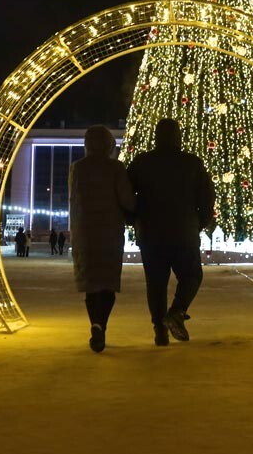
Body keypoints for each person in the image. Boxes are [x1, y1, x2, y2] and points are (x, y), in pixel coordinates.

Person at [127, 118, 216, 345]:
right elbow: (207, 197)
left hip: (150, 234)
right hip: (183, 233)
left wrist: (134, 220)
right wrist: (199, 223)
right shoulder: (192, 163)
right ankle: (176, 312)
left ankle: (160, 330)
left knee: (155, 283)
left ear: (156, 136)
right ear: (178, 137)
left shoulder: (142, 162)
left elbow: (127, 197)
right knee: (192, 276)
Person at [69, 124, 135, 353]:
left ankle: (95, 324)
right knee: (107, 284)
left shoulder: (77, 168)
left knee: (91, 285)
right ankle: (101, 324)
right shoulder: (115, 168)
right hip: (109, 233)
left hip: (84, 233)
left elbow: (74, 200)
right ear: (109, 144)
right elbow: (127, 200)